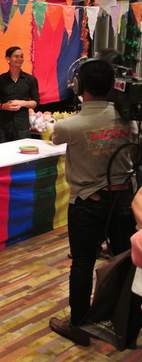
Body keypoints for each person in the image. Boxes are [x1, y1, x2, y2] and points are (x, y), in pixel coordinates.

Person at [48, 59, 138, 346]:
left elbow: (54, 138)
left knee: (83, 262)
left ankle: (79, 324)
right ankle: (124, 322)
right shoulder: (130, 121)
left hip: (87, 202)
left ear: (79, 87)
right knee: (125, 260)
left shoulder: (69, 126)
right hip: (124, 201)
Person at [0, 46, 40, 142]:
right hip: (3, 125)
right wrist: (3, 106)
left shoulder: (30, 80)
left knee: (23, 150)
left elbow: (35, 102)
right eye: (16, 56)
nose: (19, 59)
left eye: (21, 56)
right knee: (2, 150)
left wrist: (22, 103)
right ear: (8, 59)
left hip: (22, 126)